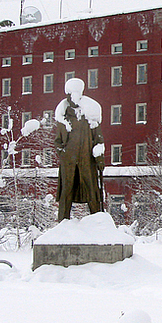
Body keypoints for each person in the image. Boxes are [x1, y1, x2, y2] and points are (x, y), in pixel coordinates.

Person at [54, 78, 105, 220]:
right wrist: (63, 153)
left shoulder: (90, 112)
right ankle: (62, 222)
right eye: (68, 94)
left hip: (86, 159)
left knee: (92, 190)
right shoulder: (62, 115)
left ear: (79, 94)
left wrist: (99, 158)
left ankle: (98, 222)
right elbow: (57, 141)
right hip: (68, 160)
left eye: (72, 94)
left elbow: (98, 139)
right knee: (66, 191)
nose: (69, 97)